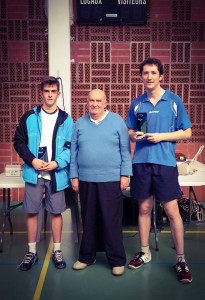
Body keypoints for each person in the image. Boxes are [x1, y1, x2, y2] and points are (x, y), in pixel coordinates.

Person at [126, 57, 193, 283]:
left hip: (165, 164)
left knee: (172, 210)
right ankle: (144, 252)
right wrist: (134, 135)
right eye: (145, 73)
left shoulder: (173, 101)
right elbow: (130, 131)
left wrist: (162, 137)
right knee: (144, 208)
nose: (149, 76)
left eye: (154, 72)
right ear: (141, 76)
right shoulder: (137, 104)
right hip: (141, 163)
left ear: (161, 76)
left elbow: (187, 132)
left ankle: (181, 260)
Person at [13, 76, 74, 271]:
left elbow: (70, 147)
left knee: (56, 212)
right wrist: (33, 160)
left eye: (53, 91)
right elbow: (19, 142)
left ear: (58, 93)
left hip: (56, 173)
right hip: (34, 171)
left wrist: (57, 163)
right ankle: (31, 252)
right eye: (46, 91)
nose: (49, 95)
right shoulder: (29, 116)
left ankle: (57, 250)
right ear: (41, 93)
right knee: (32, 211)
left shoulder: (66, 119)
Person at [70, 88, 132, 276]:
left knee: (111, 220)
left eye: (99, 100)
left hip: (111, 178)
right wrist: (74, 176)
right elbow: (73, 152)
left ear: (106, 103)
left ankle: (117, 259)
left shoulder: (117, 122)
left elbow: (125, 150)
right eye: (91, 100)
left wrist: (125, 174)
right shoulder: (79, 123)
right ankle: (87, 257)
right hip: (86, 179)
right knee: (88, 219)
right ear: (86, 102)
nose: (95, 104)